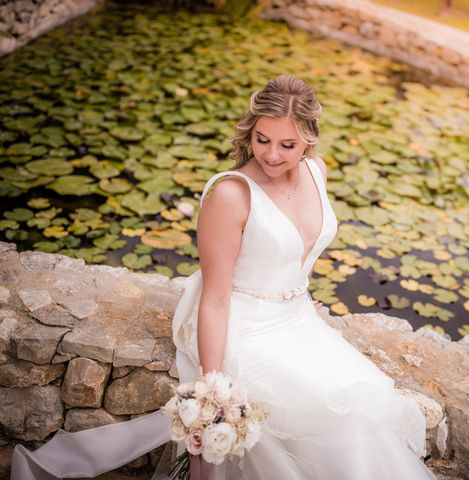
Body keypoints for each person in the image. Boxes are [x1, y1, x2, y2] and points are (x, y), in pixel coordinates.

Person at [11, 75, 438, 480]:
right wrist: (211, 391)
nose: (272, 154)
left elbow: (300, 252)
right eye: (262, 139)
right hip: (242, 324)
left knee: (361, 404)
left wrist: (295, 295)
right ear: (249, 132)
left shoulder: (316, 171)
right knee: (331, 413)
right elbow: (214, 299)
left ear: (309, 137)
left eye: (287, 144)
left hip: (298, 319)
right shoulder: (231, 195)